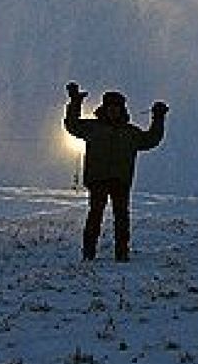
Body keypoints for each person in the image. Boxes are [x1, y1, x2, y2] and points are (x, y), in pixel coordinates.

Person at [64, 82, 168, 261]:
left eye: (116, 108)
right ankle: (89, 254)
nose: (113, 111)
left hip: (120, 181)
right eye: (110, 107)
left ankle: (121, 254)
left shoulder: (130, 133)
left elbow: (151, 140)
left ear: (122, 109)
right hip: (98, 179)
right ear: (105, 108)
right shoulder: (93, 128)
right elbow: (72, 125)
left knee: (121, 218)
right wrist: (75, 102)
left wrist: (158, 118)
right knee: (95, 216)